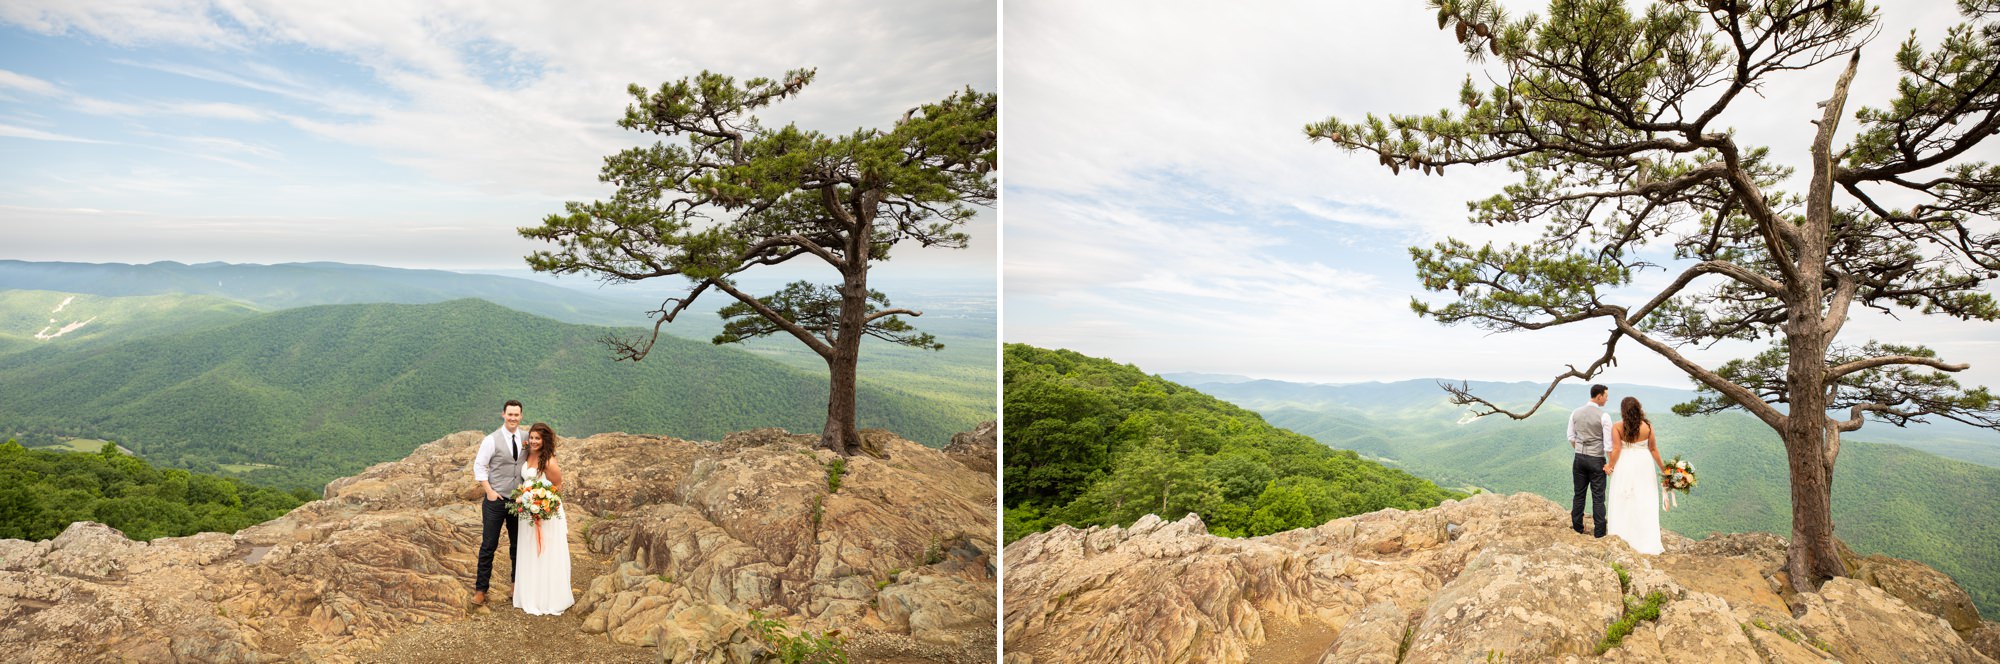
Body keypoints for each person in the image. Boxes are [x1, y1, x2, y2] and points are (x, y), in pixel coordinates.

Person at [513, 422, 574, 615]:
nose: (533, 441)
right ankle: (530, 594)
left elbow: (557, 487)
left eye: (537, 438)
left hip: (545, 514)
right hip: (527, 512)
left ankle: (548, 597)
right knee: (529, 550)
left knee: (546, 552)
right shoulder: (528, 453)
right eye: (531, 437)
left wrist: (542, 504)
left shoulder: (549, 462)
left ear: (544, 440)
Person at [471, 399, 526, 606]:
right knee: (489, 544)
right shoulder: (491, 440)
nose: (513, 418)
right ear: (503, 414)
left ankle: (515, 586)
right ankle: (480, 589)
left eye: (516, 415)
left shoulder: (526, 438)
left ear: (521, 416)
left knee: (518, 545)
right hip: (496, 501)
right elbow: (480, 466)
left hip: (518, 501)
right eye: (509, 414)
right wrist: (489, 491)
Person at [1604, 397, 1665, 554]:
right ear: (1639, 408)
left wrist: (1610, 465)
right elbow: (1653, 449)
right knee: (1645, 499)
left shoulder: (1617, 427)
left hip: (1625, 464)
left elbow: (1616, 449)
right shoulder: (1648, 427)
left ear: (1623, 410)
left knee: (1624, 499)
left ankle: (1623, 537)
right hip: (1644, 465)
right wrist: (1664, 469)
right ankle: (1646, 541)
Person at [1568, 384, 1614, 537]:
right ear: (1599, 396)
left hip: (1579, 458)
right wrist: (1609, 464)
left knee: (1579, 494)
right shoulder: (1604, 416)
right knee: (1598, 498)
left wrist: (1579, 449)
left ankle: (1577, 528)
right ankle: (1599, 533)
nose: (1607, 399)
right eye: (1606, 396)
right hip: (1596, 460)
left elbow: (1571, 437)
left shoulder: (1575, 412)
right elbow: (1608, 444)